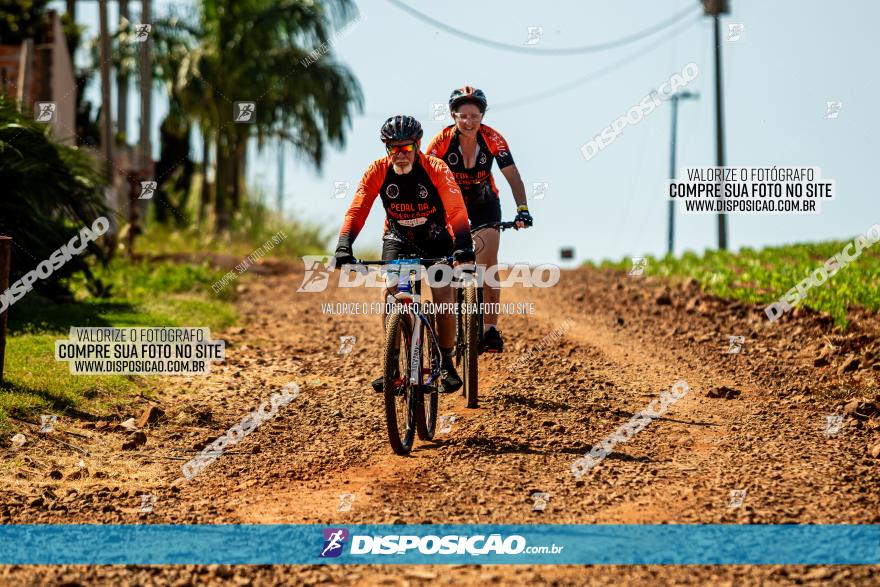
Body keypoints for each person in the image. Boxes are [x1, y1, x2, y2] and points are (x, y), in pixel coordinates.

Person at [334, 115, 475, 393]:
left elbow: (456, 209)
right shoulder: (377, 170)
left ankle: (446, 364)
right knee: (391, 296)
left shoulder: (435, 168)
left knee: (444, 301)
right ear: (386, 149)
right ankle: (394, 367)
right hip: (398, 239)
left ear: (418, 145)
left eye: (406, 148)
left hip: (435, 239)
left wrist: (463, 246)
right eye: (393, 148)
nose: (400, 154)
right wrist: (344, 244)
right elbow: (358, 210)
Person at [426, 86, 533, 353]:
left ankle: (490, 329)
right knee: (446, 266)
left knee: (488, 261)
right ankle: (448, 327)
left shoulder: (493, 139)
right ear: (453, 116)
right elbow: (425, 179)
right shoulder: (440, 142)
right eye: (463, 116)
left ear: (482, 116)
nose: (469, 121)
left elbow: (512, 175)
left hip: (484, 203)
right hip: (450, 204)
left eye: (474, 116)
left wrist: (522, 209)